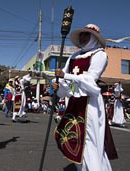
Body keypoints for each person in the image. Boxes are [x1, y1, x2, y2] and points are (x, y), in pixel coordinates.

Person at [51, 24, 118, 171]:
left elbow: (90, 79)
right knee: (70, 137)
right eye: (81, 35)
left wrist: (66, 76)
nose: (82, 38)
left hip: (90, 104)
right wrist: (59, 85)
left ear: (94, 38)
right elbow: (64, 81)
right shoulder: (74, 56)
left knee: (90, 142)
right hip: (74, 102)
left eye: (86, 35)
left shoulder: (100, 55)